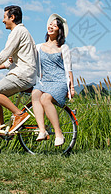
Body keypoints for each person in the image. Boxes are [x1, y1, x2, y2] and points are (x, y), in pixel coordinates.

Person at [0, 5, 37, 135]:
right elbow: (11, 61)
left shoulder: (18, 31)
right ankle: (1, 130)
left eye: (4, 17)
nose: (3, 20)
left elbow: (5, 53)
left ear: (12, 17)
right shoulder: (22, 32)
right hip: (24, 73)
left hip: (23, 75)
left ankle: (18, 114)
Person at [32, 13, 75, 146]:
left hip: (59, 81)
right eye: (50, 24)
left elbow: (69, 68)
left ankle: (58, 133)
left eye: (55, 26)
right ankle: (42, 130)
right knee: (35, 94)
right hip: (45, 81)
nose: (51, 26)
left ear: (59, 31)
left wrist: (71, 87)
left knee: (45, 99)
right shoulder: (39, 47)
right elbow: (29, 58)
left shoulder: (63, 48)